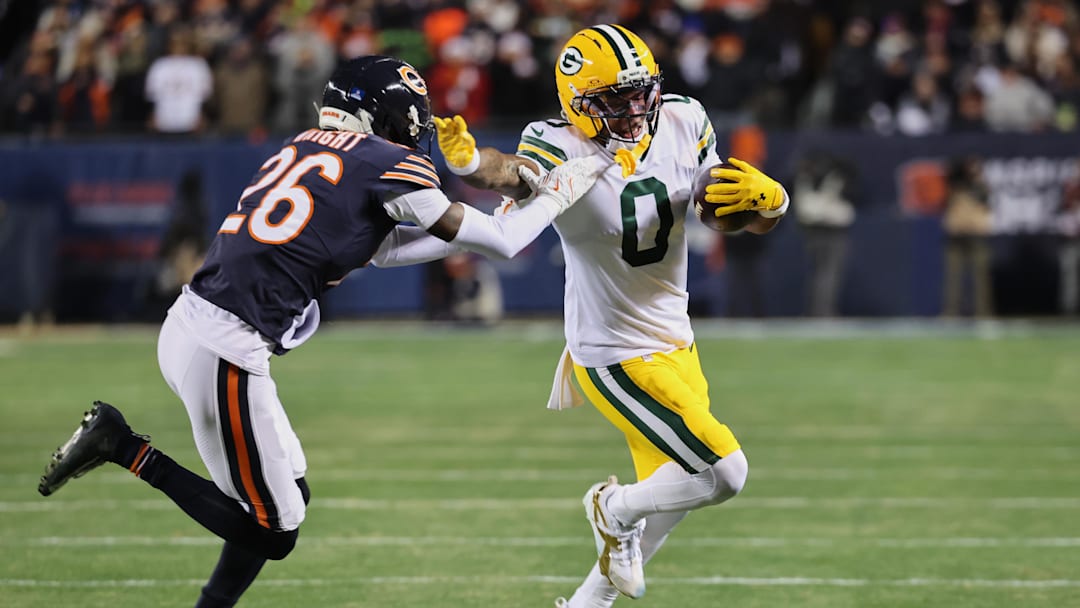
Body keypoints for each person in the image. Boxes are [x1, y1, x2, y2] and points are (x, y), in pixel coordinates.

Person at [37, 54, 606, 608]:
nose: (414, 132)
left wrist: (497, 219)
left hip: (208, 331)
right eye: (411, 119)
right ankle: (124, 445)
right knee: (275, 530)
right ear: (383, 117)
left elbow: (384, 251)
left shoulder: (303, 146)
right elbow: (499, 245)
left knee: (288, 498)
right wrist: (555, 195)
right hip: (224, 347)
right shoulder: (383, 159)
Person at [434, 24, 789, 606]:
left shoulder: (682, 118)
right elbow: (512, 173)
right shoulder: (560, 145)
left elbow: (723, 210)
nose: (634, 109)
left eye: (639, 92)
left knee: (669, 502)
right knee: (724, 473)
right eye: (614, 99)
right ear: (578, 105)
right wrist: (472, 161)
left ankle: (585, 603)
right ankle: (610, 505)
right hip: (613, 353)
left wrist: (771, 203)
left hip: (677, 340)